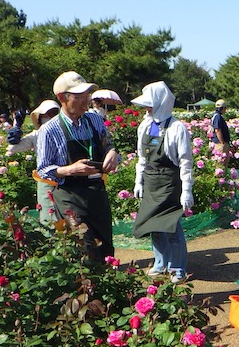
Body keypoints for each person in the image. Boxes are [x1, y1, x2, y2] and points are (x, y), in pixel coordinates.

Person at [36, 71, 119, 264]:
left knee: (105, 246)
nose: (86, 100)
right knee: (83, 247)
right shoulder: (49, 130)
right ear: (62, 98)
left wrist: (112, 153)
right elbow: (43, 169)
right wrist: (70, 170)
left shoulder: (94, 120)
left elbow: (108, 144)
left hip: (97, 193)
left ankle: (107, 281)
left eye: (87, 95)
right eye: (79, 96)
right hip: (70, 195)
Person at [131, 81, 194, 283]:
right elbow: (142, 157)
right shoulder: (146, 126)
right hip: (151, 182)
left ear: (161, 103)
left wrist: (186, 190)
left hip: (169, 183)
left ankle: (177, 268)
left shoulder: (177, 128)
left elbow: (185, 162)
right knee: (154, 226)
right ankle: (160, 263)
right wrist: (139, 181)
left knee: (171, 226)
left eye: (150, 105)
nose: (147, 109)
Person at [6, 100, 62, 224]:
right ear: (40, 118)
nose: (50, 117)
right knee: (48, 217)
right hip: (46, 181)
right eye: (46, 114)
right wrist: (16, 127)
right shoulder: (36, 135)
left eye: (53, 113)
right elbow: (12, 149)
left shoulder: (66, 133)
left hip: (66, 180)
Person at [210, 99, 231, 164]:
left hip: (220, 142)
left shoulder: (216, 116)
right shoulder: (218, 117)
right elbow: (218, 130)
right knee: (221, 163)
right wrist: (222, 143)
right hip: (219, 143)